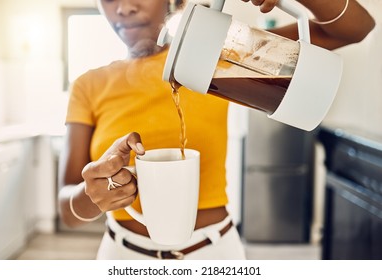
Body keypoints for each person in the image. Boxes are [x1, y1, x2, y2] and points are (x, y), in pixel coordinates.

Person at [58, 0, 375, 260]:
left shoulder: (214, 55)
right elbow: (67, 211)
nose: (123, 8)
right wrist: (90, 195)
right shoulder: (89, 84)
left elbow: (356, 29)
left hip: (214, 255)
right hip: (122, 256)